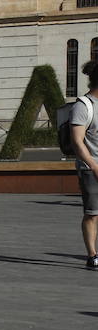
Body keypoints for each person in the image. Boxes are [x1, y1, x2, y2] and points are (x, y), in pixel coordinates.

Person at [71, 60, 98, 270]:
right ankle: (92, 254)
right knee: (93, 213)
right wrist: (93, 165)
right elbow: (77, 141)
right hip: (91, 168)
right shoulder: (83, 106)